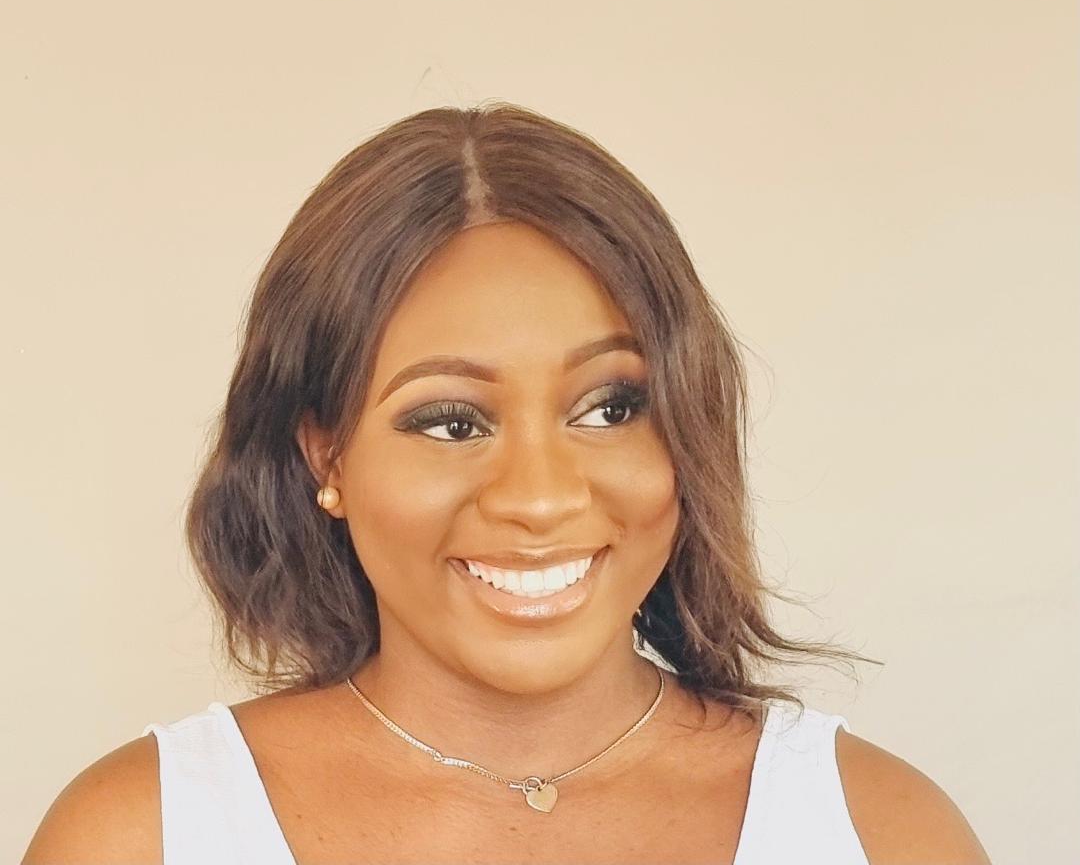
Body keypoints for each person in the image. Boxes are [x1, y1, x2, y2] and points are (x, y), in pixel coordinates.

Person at [23, 103, 991, 865]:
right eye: (453, 421)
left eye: (610, 406)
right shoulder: (139, 838)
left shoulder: (880, 834)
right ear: (326, 457)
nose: (538, 496)